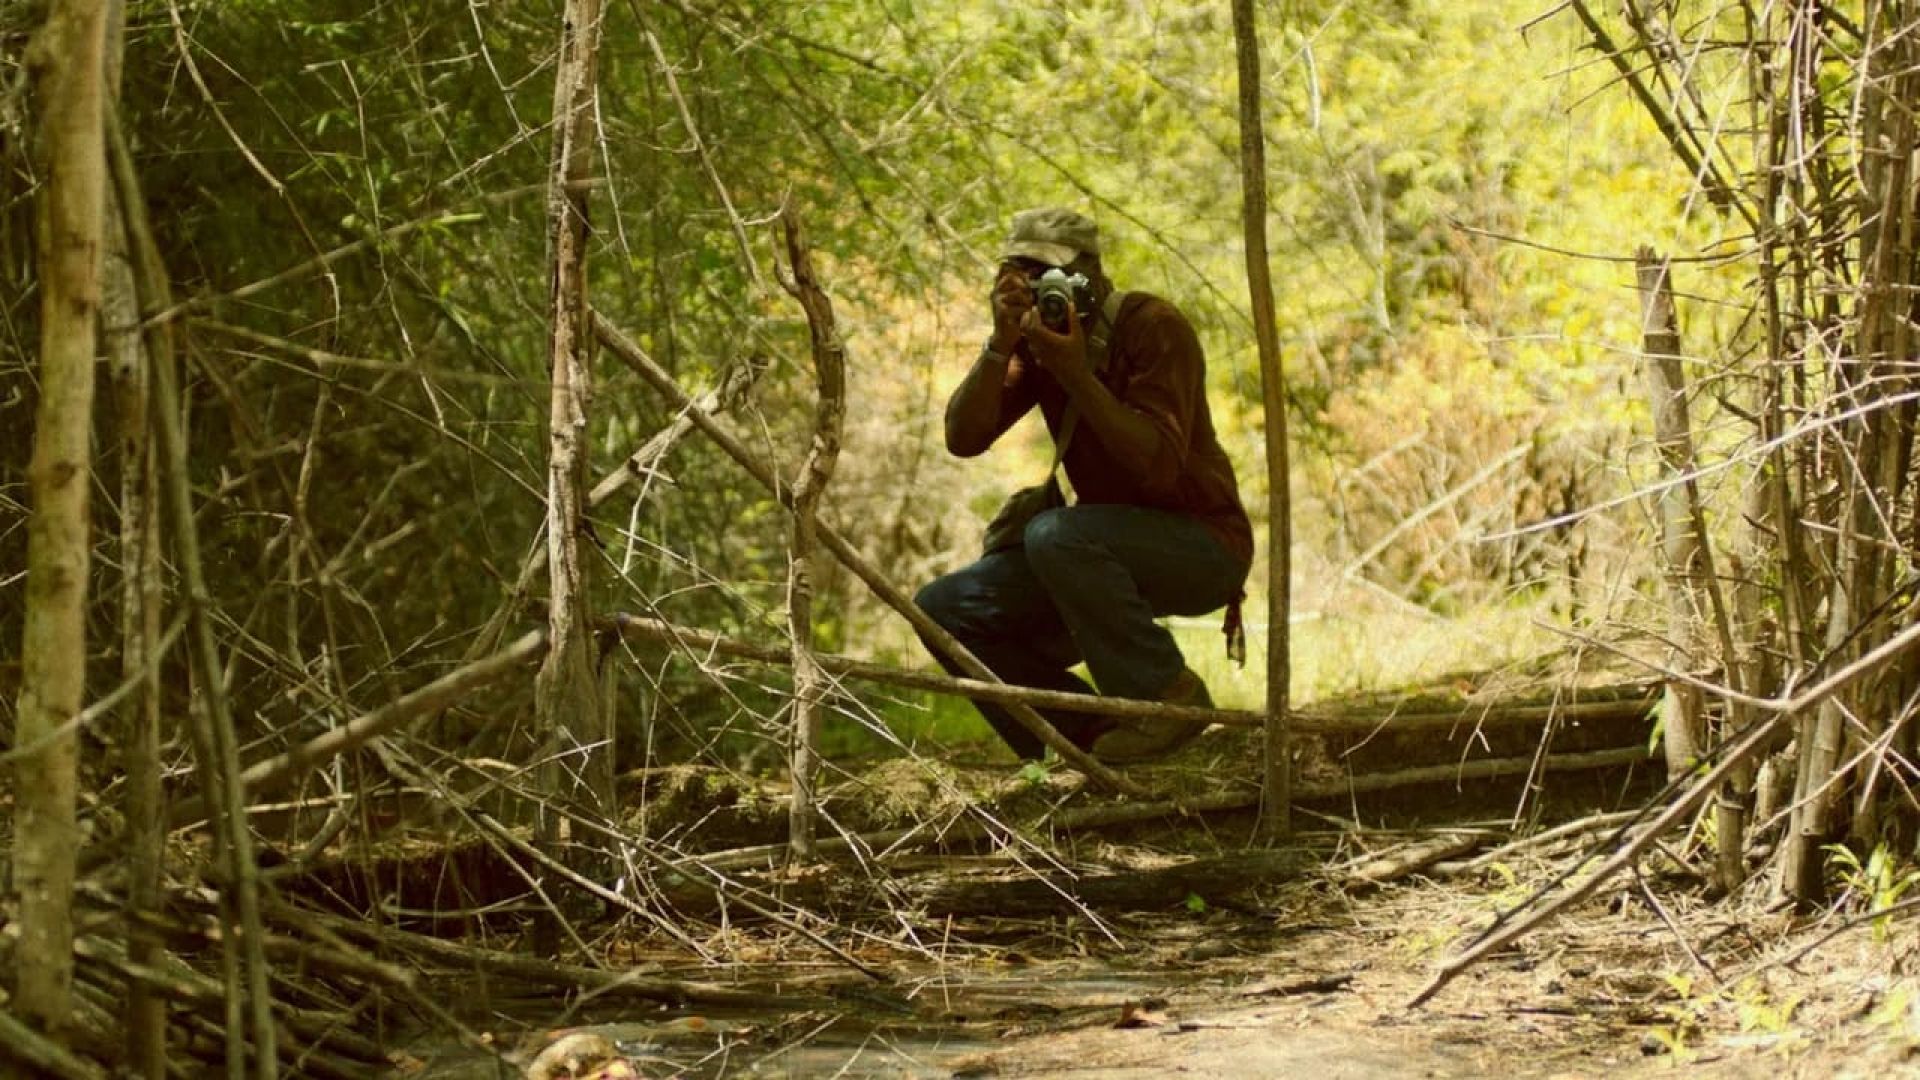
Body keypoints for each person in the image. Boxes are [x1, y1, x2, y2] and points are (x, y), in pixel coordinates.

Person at [914, 207, 1253, 764]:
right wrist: (1001, 343)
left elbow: (1157, 466)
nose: (1042, 287)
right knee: (942, 608)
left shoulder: (1152, 326)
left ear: (1093, 272)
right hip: (1095, 552)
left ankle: (1167, 698)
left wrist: (1074, 372)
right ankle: (1084, 738)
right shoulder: (1036, 341)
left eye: (1051, 272)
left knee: (1054, 534)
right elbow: (963, 438)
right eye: (1024, 273)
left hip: (1202, 545)